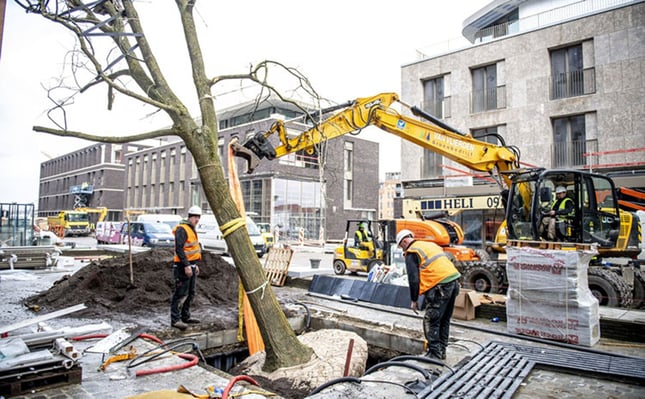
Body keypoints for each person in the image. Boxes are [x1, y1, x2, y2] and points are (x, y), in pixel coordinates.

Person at [396, 229, 461, 360]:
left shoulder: (412, 252)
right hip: (453, 282)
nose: (402, 250)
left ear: (404, 242)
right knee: (444, 319)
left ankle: (435, 354)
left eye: (401, 246)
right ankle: (442, 350)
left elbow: (413, 278)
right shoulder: (428, 245)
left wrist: (414, 300)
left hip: (440, 286)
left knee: (431, 320)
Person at [170, 206, 203, 330]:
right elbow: (179, 249)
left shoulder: (191, 229)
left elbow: (191, 249)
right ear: (190, 217)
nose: (197, 220)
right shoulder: (182, 229)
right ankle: (175, 319)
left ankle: (185, 316)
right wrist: (187, 265)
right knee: (180, 294)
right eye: (195, 217)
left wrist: (194, 264)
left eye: (198, 217)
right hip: (182, 267)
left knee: (191, 293)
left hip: (191, 265)